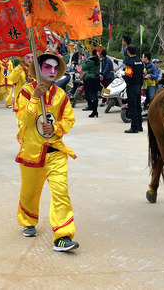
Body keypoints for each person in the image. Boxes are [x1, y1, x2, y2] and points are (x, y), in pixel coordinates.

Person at [15, 51, 79, 252]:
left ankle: (62, 236)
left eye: (55, 68)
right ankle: (28, 220)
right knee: (29, 192)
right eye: (47, 67)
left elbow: (69, 120)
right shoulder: (26, 92)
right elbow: (23, 120)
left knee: (61, 193)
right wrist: (35, 98)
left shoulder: (61, 95)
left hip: (56, 152)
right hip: (32, 152)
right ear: (39, 69)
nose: (52, 71)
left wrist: (57, 127)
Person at [123, 44, 144, 133]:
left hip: (131, 86)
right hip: (139, 86)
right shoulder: (140, 62)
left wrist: (122, 76)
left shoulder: (129, 63)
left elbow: (128, 76)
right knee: (138, 106)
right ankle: (139, 125)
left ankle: (134, 127)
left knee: (132, 106)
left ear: (128, 52)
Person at [81, 49, 101, 118]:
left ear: (92, 53)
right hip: (97, 79)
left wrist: (83, 61)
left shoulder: (90, 61)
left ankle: (94, 111)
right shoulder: (98, 60)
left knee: (91, 95)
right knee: (95, 95)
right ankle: (95, 111)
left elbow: (84, 67)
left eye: (90, 51)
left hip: (90, 79)